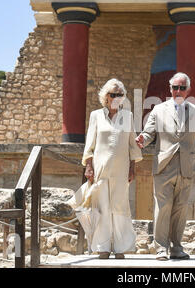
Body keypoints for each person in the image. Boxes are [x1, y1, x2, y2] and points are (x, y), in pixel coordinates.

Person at [135, 72, 195, 260]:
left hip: (186, 166)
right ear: (170, 89)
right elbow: (148, 134)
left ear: (187, 90)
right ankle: (161, 248)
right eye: (174, 87)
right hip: (164, 165)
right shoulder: (158, 110)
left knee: (180, 208)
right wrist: (142, 140)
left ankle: (176, 247)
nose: (178, 91)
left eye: (181, 88)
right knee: (163, 207)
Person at [81, 78, 142, 259]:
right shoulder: (96, 116)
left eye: (119, 94)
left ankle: (121, 248)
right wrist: (88, 167)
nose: (116, 97)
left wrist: (132, 168)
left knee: (120, 207)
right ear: (105, 97)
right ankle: (103, 247)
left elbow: (132, 145)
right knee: (101, 208)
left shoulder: (128, 117)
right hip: (100, 169)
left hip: (122, 170)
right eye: (112, 94)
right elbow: (90, 144)